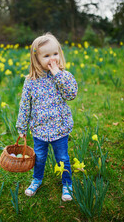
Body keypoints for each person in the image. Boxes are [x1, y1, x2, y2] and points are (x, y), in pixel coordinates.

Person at [16, 33, 78, 201]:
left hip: (59, 128)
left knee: (62, 157)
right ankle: (37, 179)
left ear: (60, 54)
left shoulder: (63, 76)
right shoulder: (31, 81)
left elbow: (71, 94)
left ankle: (67, 184)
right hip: (39, 130)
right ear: (37, 59)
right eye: (47, 56)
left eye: (55, 54)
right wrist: (22, 127)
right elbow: (25, 105)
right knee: (40, 157)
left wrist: (58, 74)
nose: (52, 59)